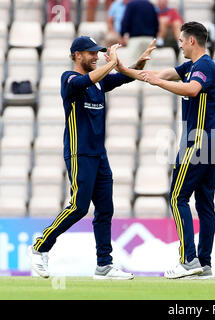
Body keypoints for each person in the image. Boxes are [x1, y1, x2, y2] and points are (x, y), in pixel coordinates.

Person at [27, 36, 156, 280]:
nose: (96, 57)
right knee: (78, 206)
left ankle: (104, 265)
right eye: (91, 53)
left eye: (98, 53)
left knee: (105, 209)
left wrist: (137, 63)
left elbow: (125, 76)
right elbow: (88, 79)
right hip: (79, 152)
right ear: (77, 55)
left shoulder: (99, 83)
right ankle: (40, 247)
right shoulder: (70, 79)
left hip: (99, 154)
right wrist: (112, 62)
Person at [139, 22, 215, 279]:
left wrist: (157, 83)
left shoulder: (204, 66)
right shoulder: (191, 67)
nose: (179, 45)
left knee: (177, 197)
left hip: (199, 141)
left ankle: (188, 260)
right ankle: (204, 263)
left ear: (192, 42)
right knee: (205, 204)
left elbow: (191, 89)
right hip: (213, 140)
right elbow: (160, 75)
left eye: (181, 41)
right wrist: (123, 69)